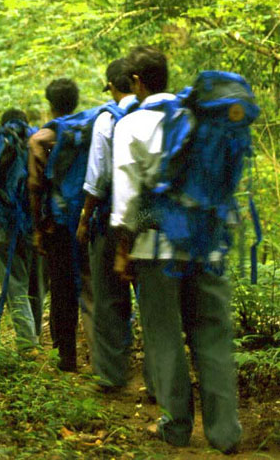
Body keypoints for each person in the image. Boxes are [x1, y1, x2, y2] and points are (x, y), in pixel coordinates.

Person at [111, 46, 241, 453]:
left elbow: (127, 199)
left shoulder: (132, 126)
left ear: (137, 82)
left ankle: (177, 425)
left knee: (164, 335)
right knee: (214, 339)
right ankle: (225, 433)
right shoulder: (200, 119)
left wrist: (121, 251)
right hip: (208, 246)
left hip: (155, 249)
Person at [75, 58, 153, 394]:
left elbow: (98, 177)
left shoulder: (107, 118)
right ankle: (158, 383)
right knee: (151, 301)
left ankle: (111, 375)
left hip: (111, 218)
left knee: (108, 298)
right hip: (151, 220)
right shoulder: (156, 114)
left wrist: (84, 218)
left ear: (112, 84)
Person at [28, 78, 94, 372]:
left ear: (50, 103)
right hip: (89, 220)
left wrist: (37, 228)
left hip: (57, 224)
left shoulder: (42, 138)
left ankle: (65, 357)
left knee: (63, 289)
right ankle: (103, 361)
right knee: (94, 289)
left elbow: (34, 186)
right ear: (76, 101)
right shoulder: (93, 130)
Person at [0, 109, 44, 351]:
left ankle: (28, 344)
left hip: (3, 232)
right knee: (36, 285)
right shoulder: (37, 156)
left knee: (16, 286)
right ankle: (36, 335)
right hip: (34, 231)